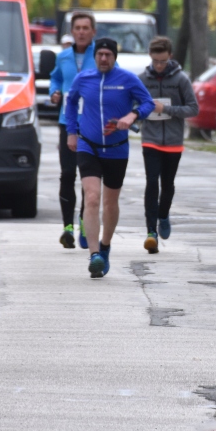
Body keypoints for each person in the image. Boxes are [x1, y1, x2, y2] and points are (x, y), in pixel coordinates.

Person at [64, 38, 154, 278]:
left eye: (108, 55)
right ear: (95, 56)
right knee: (92, 197)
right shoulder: (83, 78)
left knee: (110, 203)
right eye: (100, 54)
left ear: (115, 57)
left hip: (116, 149)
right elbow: (70, 103)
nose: (104, 58)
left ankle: (105, 246)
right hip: (88, 146)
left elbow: (148, 103)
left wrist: (132, 115)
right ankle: (94, 255)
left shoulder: (127, 79)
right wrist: (71, 131)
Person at [138, 36, 198, 253]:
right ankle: (150, 232)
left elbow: (193, 108)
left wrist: (166, 109)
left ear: (170, 57)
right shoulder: (142, 79)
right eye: (155, 61)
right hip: (150, 140)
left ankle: (163, 215)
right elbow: (133, 104)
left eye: (163, 61)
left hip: (173, 141)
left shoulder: (181, 79)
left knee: (168, 184)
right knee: (151, 182)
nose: (159, 65)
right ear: (150, 57)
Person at [48, 12, 96, 249]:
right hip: (67, 122)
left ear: (93, 32)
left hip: (92, 122)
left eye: (86, 28)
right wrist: (54, 92)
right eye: (77, 28)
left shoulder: (101, 55)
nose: (81, 32)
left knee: (89, 176)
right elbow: (56, 79)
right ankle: (67, 226)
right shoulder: (64, 57)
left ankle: (85, 223)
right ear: (72, 31)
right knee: (67, 173)